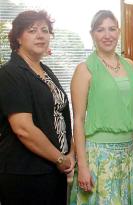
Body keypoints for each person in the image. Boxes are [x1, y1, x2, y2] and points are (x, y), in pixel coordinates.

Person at [69, 10, 133, 204]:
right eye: (100, 30)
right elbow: (78, 119)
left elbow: (131, 112)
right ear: (92, 34)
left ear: (119, 32)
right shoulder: (84, 70)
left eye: (112, 29)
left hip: (127, 154)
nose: (107, 35)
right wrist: (82, 166)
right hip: (98, 157)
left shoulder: (130, 65)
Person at [0, 10, 74, 204]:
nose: (40, 35)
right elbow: (23, 128)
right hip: (26, 173)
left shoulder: (45, 71)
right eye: (32, 30)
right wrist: (60, 158)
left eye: (45, 30)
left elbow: (59, 115)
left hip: (52, 170)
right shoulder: (10, 73)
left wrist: (69, 154)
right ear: (18, 37)